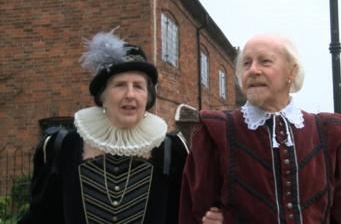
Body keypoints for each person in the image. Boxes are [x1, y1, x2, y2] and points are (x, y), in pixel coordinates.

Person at [19, 29, 222, 224]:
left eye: (138, 86)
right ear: (102, 95)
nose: (130, 94)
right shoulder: (62, 147)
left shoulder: (172, 150)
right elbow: (41, 216)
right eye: (120, 85)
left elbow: (189, 214)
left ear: (148, 97)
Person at [179, 34, 341, 223]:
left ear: (292, 71)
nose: (253, 70)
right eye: (246, 63)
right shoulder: (217, 132)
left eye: (265, 61)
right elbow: (195, 212)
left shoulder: (327, 134)